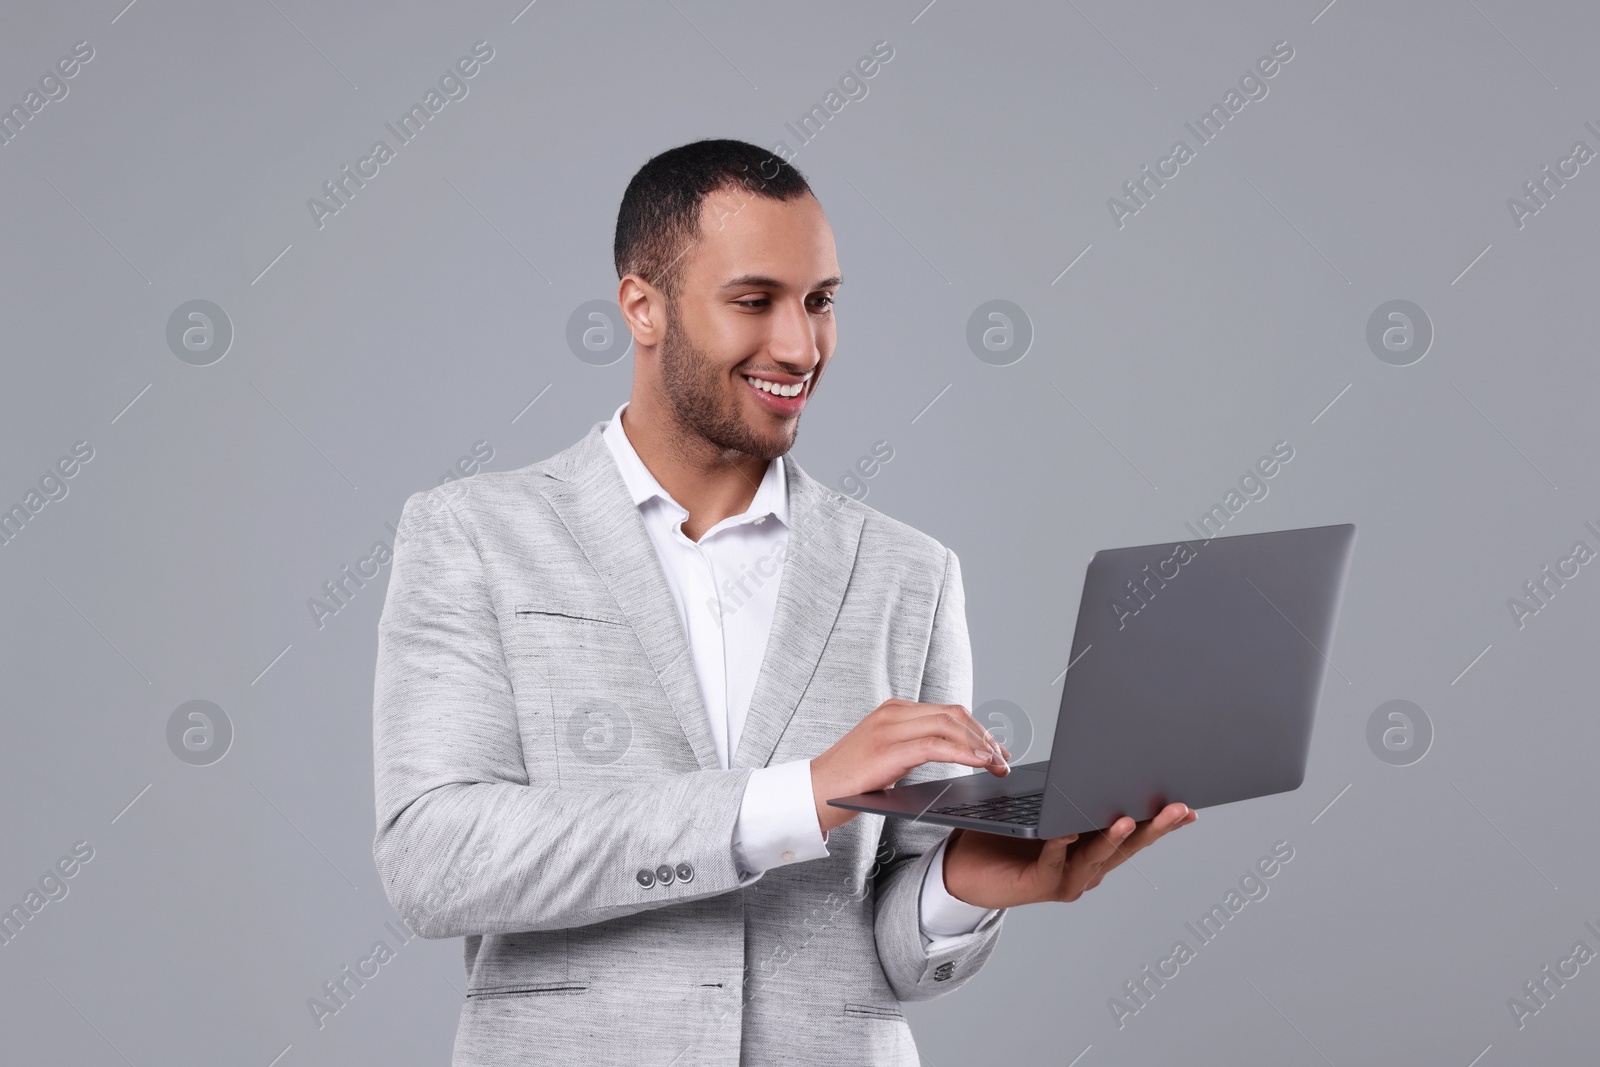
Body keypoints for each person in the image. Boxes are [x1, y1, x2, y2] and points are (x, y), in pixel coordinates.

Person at [371, 138, 1194, 1066]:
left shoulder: (909, 570)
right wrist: (797, 797)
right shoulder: (474, 534)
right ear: (642, 306)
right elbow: (433, 860)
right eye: (754, 301)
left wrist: (967, 885)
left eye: (821, 301)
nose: (800, 346)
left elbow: (892, 949)